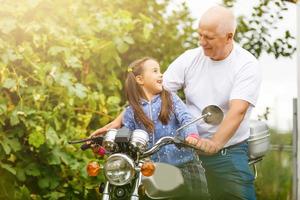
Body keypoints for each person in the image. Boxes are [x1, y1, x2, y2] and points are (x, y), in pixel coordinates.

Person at [91, 5, 261, 200]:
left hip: (226, 151)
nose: (202, 42)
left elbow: (238, 111)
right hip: (183, 150)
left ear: (229, 37)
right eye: (200, 35)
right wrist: (117, 122)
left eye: (209, 38)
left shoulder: (246, 65)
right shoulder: (190, 59)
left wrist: (214, 143)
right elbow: (155, 93)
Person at [122, 57, 209, 199]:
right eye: (155, 71)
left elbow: (186, 118)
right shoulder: (131, 111)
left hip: (186, 166)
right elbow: (126, 134)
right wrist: (107, 147)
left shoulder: (170, 98)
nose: (161, 74)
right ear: (140, 79)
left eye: (160, 71)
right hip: (155, 172)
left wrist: (191, 136)